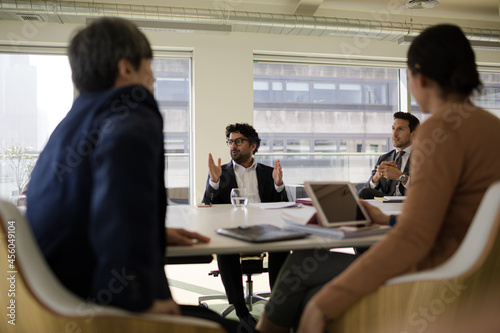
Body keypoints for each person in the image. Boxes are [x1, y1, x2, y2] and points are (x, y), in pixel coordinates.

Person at [256, 24, 500, 333]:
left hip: (434, 278)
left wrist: (327, 303)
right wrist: (388, 222)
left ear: (419, 76)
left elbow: (414, 240)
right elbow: (458, 219)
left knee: (302, 268)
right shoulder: (492, 128)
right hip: (480, 281)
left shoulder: (438, 132)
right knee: (309, 287)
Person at [25, 17, 241, 332]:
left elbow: (88, 205)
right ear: (126, 69)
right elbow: (119, 198)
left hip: (53, 309)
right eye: (148, 67)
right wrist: (140, 297)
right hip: (102, 311)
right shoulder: (132, 109)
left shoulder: (69, 126)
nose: (152, 78)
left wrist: (154, 231)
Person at [203, 123, 289, 327]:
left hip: (265, 230)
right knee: (226, 249)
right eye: (230, 141)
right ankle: (241, 310)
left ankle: (277, 307)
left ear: (253, 145)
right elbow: (207, 204)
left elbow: (282, 206)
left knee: (282, 245)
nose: (233, 145)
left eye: (238, 141)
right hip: (233, 231)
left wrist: (278, 185)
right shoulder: (220, 173)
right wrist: (214, 182)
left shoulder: (269, 173)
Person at [358, 111, 420, 199]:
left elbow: (426, 189)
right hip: (385, 202)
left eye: (400, 129)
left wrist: (400, 177)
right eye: (393, 129)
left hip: (410, 202)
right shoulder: (384, 158)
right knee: (364, 192)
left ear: (413, 134)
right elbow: (367, 188)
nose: (394, 134)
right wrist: (376, 177)